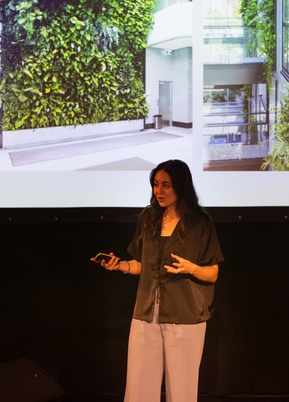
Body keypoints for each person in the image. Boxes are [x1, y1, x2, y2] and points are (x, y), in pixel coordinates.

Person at [91, 158, 224, 402]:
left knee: (182, 390)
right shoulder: (148, 219)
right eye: (155, 184)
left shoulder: (199, 222)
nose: (159, 191)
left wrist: (191, 268)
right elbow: (144, 265)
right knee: (139, 387)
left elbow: (213, 272)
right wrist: (120, 265)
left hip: (185, 316)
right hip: (145, 315)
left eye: (166, 185)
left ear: (181, 187)